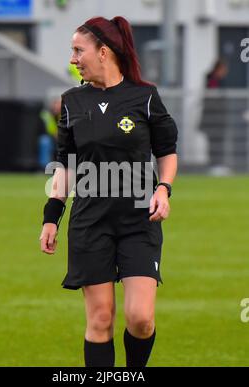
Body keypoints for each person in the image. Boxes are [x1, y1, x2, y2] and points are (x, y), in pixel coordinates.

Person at [39, 16, 178, 367]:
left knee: (140, 318)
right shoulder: (71, 101)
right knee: (100, 319)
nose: (72, 59)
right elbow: (65, 166)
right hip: (90, 221)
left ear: (103, 52)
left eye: (77, 50)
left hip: (138, 219)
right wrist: (51, 216)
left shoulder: (145, 97)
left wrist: (163, 188)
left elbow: (167, 151)